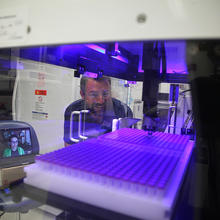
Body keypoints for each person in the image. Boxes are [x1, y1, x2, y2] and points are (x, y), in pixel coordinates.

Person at [64, 76, 133, 146]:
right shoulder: (73, 111)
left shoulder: (123, 111)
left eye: (105, 94)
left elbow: (126, 148)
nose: (101, 101)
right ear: (82, 94)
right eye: (94, 95)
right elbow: (68, 147)